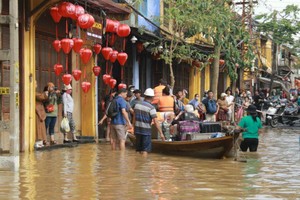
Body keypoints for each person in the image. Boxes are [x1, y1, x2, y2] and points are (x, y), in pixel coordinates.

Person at [133, 88, 165, 156]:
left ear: (145, 96)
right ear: (152, 97)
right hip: (146, 132)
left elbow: (134, 119)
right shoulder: (151, 108)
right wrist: (161, 133)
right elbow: (156, 122)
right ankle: (144, 165)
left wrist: (133, 128)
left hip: (137, 130)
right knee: (145, 150)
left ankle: (138, 164)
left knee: (138, 150)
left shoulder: (137, 105)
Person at [35, 80, 48, 147]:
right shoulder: (34, 93)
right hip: (37, 113)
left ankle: (41, 141)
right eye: (35, 83)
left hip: (39, 112)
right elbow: (42, 97)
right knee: (38, 127)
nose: (36, 85)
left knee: (41, 127)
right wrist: (46, 93)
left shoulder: (35, 93)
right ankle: (38, 142)